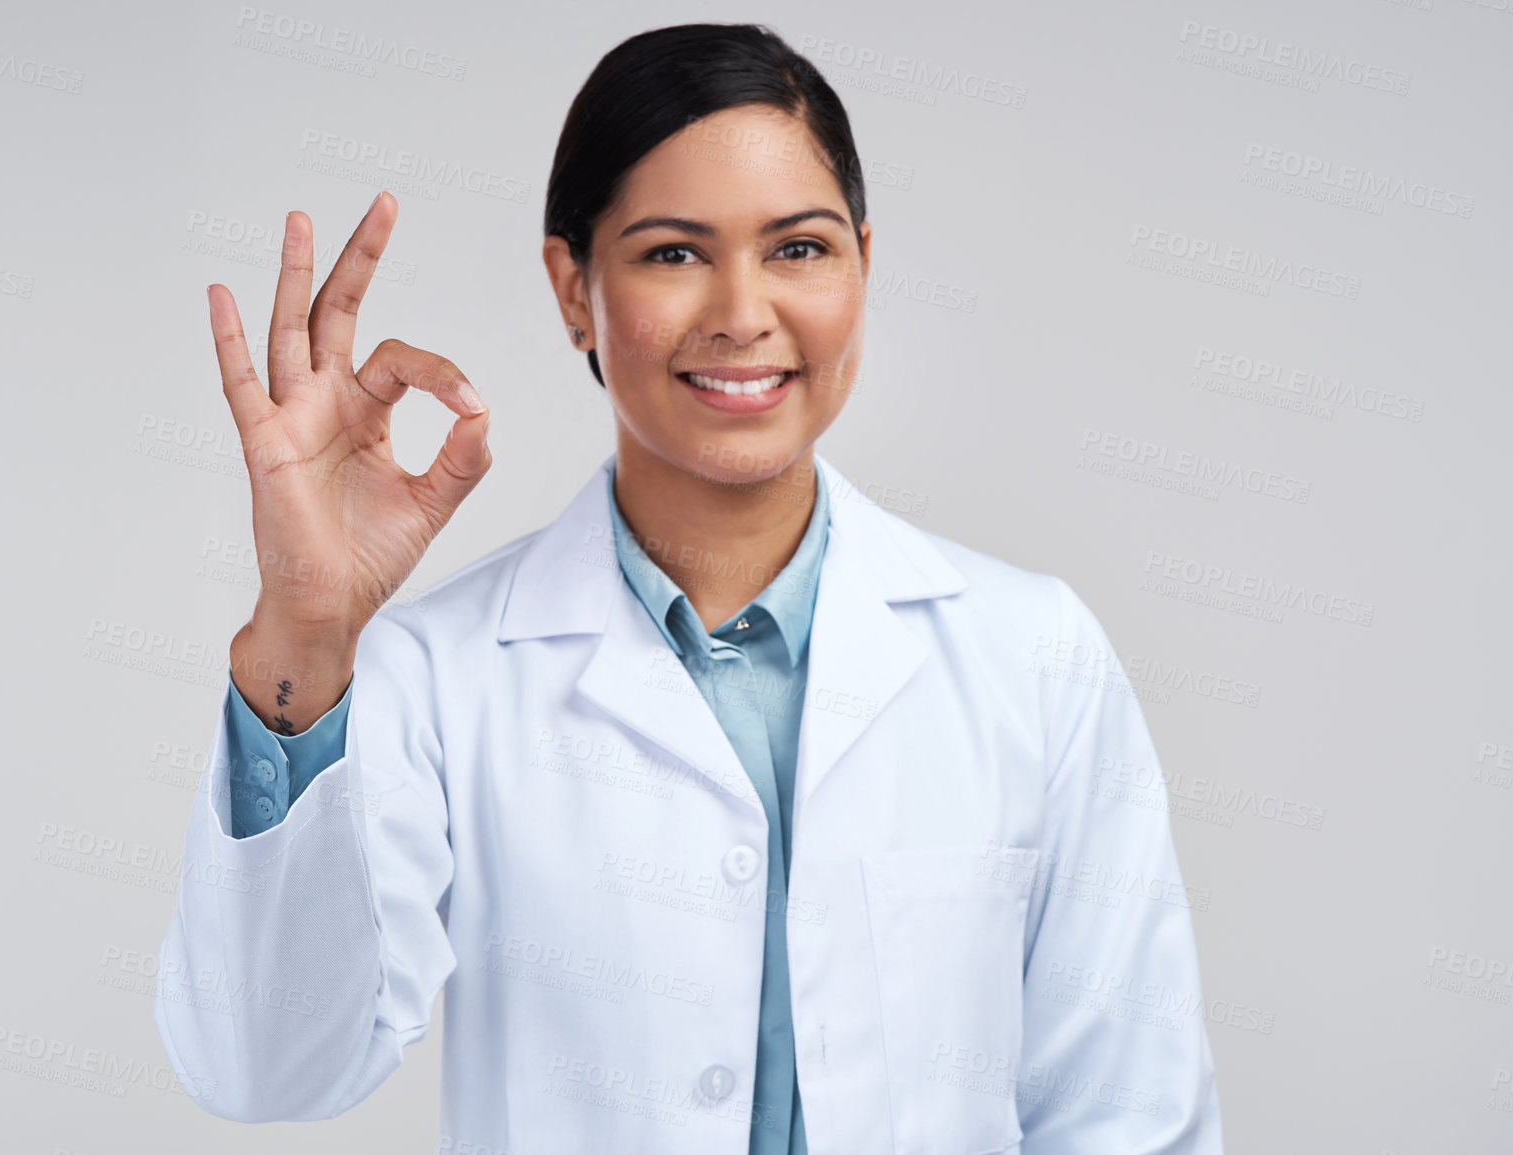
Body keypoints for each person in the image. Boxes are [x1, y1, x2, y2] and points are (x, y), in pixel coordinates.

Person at [154, 22, 1224, 1154]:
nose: (742, 313)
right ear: (574, 288)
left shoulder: (1033, 655)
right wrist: (306, 633)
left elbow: (1129, 1117)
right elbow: (261, 1062)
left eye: (799, 250)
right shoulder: (439, 672)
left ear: (864, 260)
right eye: (673, 253)